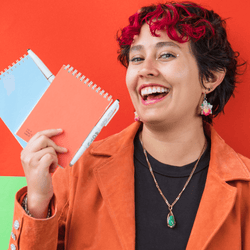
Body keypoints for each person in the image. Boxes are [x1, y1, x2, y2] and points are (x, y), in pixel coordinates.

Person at [8, 2, 250, 250]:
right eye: (136, 58)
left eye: (166, 54)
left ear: (209, 77)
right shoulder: (76, 171)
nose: (145, 69)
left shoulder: (245, 188)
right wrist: (37, 203)